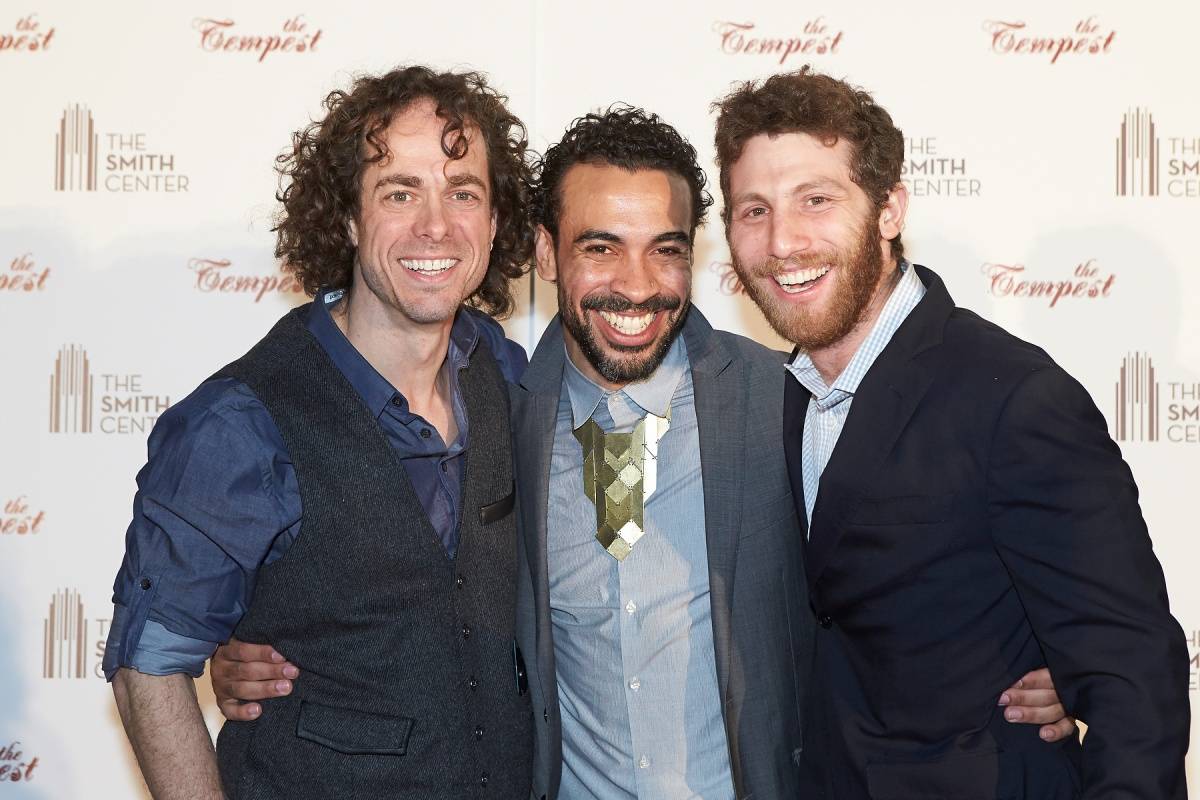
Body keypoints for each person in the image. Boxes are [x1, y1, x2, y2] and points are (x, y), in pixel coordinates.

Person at [212, 104, 1075, 799]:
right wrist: (264, 645)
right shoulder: (491, 411)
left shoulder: (785, 402)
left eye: (664, 250)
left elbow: (911, 565)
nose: (635, 284)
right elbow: (416, 596)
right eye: (599, 247)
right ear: (547, 254)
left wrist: (1038, 655)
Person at [713, 66, 1190, 798]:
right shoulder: (775, 397)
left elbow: (1134, 678)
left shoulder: (1015, 401)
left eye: (817, 200)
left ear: (889, 209)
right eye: (754, 211)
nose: (783, 241)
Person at [104, 65, 535, 799]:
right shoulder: (241, 422)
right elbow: (149, 665)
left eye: (463, 192)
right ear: (347, 218)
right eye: (399, 192)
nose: (436, 225)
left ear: (494, 223)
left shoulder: (503, 371)